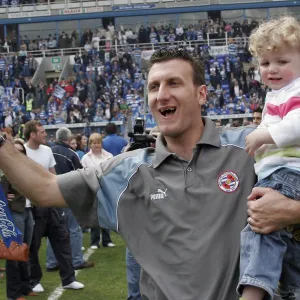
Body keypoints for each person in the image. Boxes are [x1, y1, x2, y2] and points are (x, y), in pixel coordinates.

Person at [0, 48, 299, 300]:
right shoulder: (127, 172)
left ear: (201, 94)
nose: (162, 95)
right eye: (154, 87)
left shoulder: (249, 147)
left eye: (174, 83)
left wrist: (293, 210)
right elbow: (44, 188)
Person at [239, 16, 300, 300]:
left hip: (290, 173)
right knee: (285, 236)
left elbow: (296, 124)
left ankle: (254, 288)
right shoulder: (275, 95)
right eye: (265, 63)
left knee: (259, 224)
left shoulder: (296, 90)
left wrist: (264, 135)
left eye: (281, 62)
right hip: (278, 172)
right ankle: (290, 288)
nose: (271, 69)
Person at [23, 120, 84, 293]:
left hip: (51, 205)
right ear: (33, 134)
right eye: (41, 132)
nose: (45, 134)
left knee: (62, 241)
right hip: (33, 206)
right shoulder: (23, 152)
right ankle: (34, 280)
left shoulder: (48, 150)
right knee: (33, 246)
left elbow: (53, 177)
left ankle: (68, 279)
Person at [46, 127, 94, 271]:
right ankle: (76, 260)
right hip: (68, 195)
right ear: (67, 139)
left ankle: (52, 262)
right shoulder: (71, 153)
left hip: (50, 196)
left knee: (53, 230)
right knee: (74, 229)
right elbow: (79, 175)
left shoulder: (48, 151)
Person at [3, 140, 36, 300]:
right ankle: (13, 294)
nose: (19, 154)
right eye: (16, 151)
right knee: (14, 254)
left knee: (25, 250)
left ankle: (25, 286)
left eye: (22, 151)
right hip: (15, 212)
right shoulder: (6, 170)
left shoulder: (27, 168)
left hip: (28, 211)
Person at [81, 133, 115, 249]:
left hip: (106, 188)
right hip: (92, 188)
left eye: (98, 142)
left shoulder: (109, 156)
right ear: (90, 144)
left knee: (105, 213)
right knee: (94, 215)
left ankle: (107, 240)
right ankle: (94, 241)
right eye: (94, 143)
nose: (96, 145)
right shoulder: (85, 158)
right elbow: (83, 173)